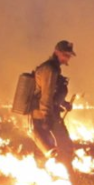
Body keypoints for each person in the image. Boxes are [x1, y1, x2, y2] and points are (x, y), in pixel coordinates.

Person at [30, 40, 76, 174]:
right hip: (44, 115)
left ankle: (49, 173)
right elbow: (46, 96)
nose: (67, 58)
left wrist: (64, 103)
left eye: (69, 55)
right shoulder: (49, 69)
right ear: (56, 52)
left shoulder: (54, 68)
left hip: (48, 114)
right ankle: (63, 174)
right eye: (64, 54)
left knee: (51, 147)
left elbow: (54, 94)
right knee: (53, 147)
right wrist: (47, 118)